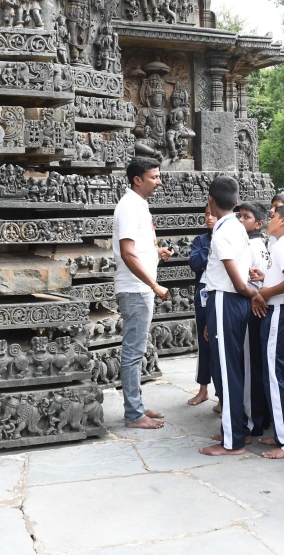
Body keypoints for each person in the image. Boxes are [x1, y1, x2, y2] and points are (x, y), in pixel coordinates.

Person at [112, 157, 173, 429]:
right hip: (135, 289)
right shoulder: (129, 207)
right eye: (154, 177)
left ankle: (135, 404)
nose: (159, 182)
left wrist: (156, 252)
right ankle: (134, 414)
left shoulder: (139, 205)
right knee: (133, 353)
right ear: (138, 180)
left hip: (139, 288)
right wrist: (154, 285)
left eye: (158, 176)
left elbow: (136, 247)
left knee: (137, 351)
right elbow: (127, 253)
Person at [200, 176, 256, 456]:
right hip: (231, 301)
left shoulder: (222, 233)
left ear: (211, 200)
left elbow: (236, 279)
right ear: (236, 202)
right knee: (233, 365)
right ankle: (237, 428)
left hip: (226, 298)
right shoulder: (236, 227)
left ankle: (232, 441)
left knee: (226, 368)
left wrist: (253, 294)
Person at [249, 205, 284, 459]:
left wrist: (264, 293)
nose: (269, 219)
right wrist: (266, 277)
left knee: (276, 376)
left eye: (273, 216)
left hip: (281, 313)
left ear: (283, 221)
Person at [240, 201, 272, 436]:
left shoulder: (250, 246)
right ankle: (263, 416)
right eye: (239, 216)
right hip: (261, 306)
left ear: (259, 224)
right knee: (258, 364)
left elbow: (244, 280)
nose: (241, 220)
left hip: (252, 307)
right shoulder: (263, 244)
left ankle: (252, 421)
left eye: (246, 217)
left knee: (250, 367)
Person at [187, 205, 217, 406]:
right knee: (204, 343)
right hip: (203, 296)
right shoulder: (201, 240)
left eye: (213, 214)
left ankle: (222, 395)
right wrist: (210, 247)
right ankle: (203, 389)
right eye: (206, 214)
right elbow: (195, 264)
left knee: (220, 344)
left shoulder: (231, 237)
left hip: (223, 296)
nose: (209, 218)